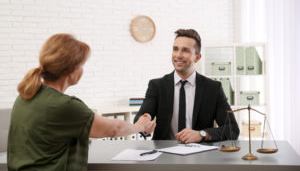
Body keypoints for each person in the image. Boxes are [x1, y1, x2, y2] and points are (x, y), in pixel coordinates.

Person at [7, 34, 156, 171]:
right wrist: (140, 126)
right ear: (71, 69)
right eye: (82, 65)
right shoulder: (65, 106)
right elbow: (114, 129)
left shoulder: (25, 96)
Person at [134, 29, 239, 143]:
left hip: (200, 154)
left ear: (197, 57)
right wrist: (143, 122)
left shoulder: (213, 88)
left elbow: (232, 129)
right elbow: (141, 117)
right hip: (164, 154)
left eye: (185, 51)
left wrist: (201, 134)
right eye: (175, 49)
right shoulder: (157, 86)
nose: (178, 55)